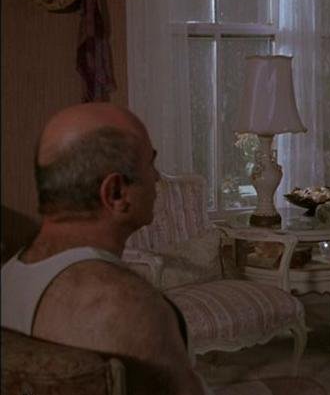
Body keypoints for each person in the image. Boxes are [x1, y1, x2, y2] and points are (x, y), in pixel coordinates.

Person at [1, 103, 207, 395]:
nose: (157, 178)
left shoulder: (8, 276)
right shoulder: (127, 306)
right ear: (116, 192)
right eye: (151, 164)